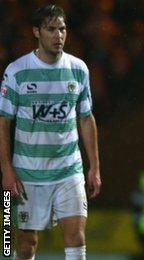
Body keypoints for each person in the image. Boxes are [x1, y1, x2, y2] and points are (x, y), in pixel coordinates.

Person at [0, 4, 101, 260]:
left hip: (69, 169)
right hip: (28, 172)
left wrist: (94, 167)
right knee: (25, 243)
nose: (59, 35)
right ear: (36, 32)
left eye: (63, 29)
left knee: (76, 237)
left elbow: (86, 118)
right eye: (51, 29)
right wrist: (6, 170)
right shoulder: (17, 72)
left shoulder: (78, 69)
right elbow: (4, 123)